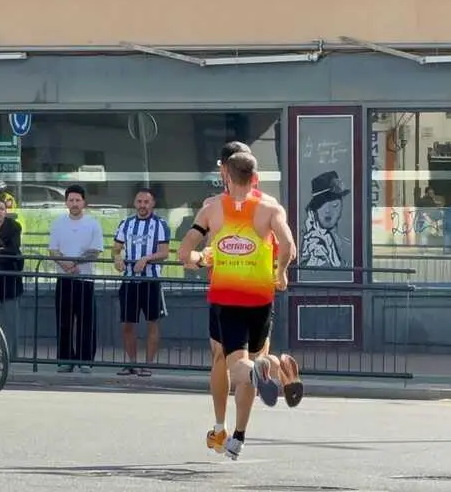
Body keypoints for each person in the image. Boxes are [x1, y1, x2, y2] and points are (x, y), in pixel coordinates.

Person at [178, 152, 301, 460]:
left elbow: (185, 251)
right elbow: (288, 245)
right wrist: (281, 272)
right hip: (261, 301)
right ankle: (273, 370)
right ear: (256, 178)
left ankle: (263, 369)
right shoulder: (271, 209)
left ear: (227, 178)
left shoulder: (211, 209)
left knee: (237, 366)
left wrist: (198, 259)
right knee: (257, 358)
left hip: (227, 300)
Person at [112, 188, 170, 377]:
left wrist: (146, 259)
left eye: (146, 202)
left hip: (150, 281)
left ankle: (149, 365)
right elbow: (116, 248)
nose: (143, 205)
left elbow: (164, 252)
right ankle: (131, 363)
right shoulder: (126, 224)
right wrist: (117, 258)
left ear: (152, 204)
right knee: (128, 324)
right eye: (139, 201)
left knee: (152, 323)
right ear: (135, 203)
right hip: (129, 281)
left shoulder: (160, 224)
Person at [48, 184, 104, 373]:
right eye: (70, 200)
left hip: (85, 279)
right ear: (66, 202)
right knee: (64, 321)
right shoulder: (58, 223)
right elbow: (53, 250)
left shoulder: (93, 224)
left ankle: (85, 359)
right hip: (64, 279)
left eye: (77, 200)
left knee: (86, 321)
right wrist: (65, 265)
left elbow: (95, 251)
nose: (74, 203)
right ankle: (65, 359)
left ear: (84, 202)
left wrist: (76, 265)